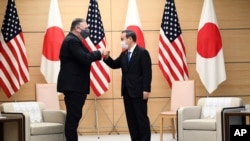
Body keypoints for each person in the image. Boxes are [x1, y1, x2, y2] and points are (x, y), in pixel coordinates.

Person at [57, 18, 109, 141]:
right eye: (86, 28)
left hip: (76, 85)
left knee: (74, 117)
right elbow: (84, 58)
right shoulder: (71, 41)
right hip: (73, 85)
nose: (88, 31)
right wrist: (99, 52)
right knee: (73, 118)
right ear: (77, 28)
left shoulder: (74, 40)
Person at [103, 30, 152, 141]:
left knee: (141, 119)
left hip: (139, 92)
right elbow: (115, 64)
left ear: (130, 39)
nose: (121, 42)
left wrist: (146, 89)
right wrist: (106, 58)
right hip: (126, 92)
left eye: (122, 39)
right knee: (131, 120)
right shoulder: (124, 53)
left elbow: (147, 73)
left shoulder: (142, 52)